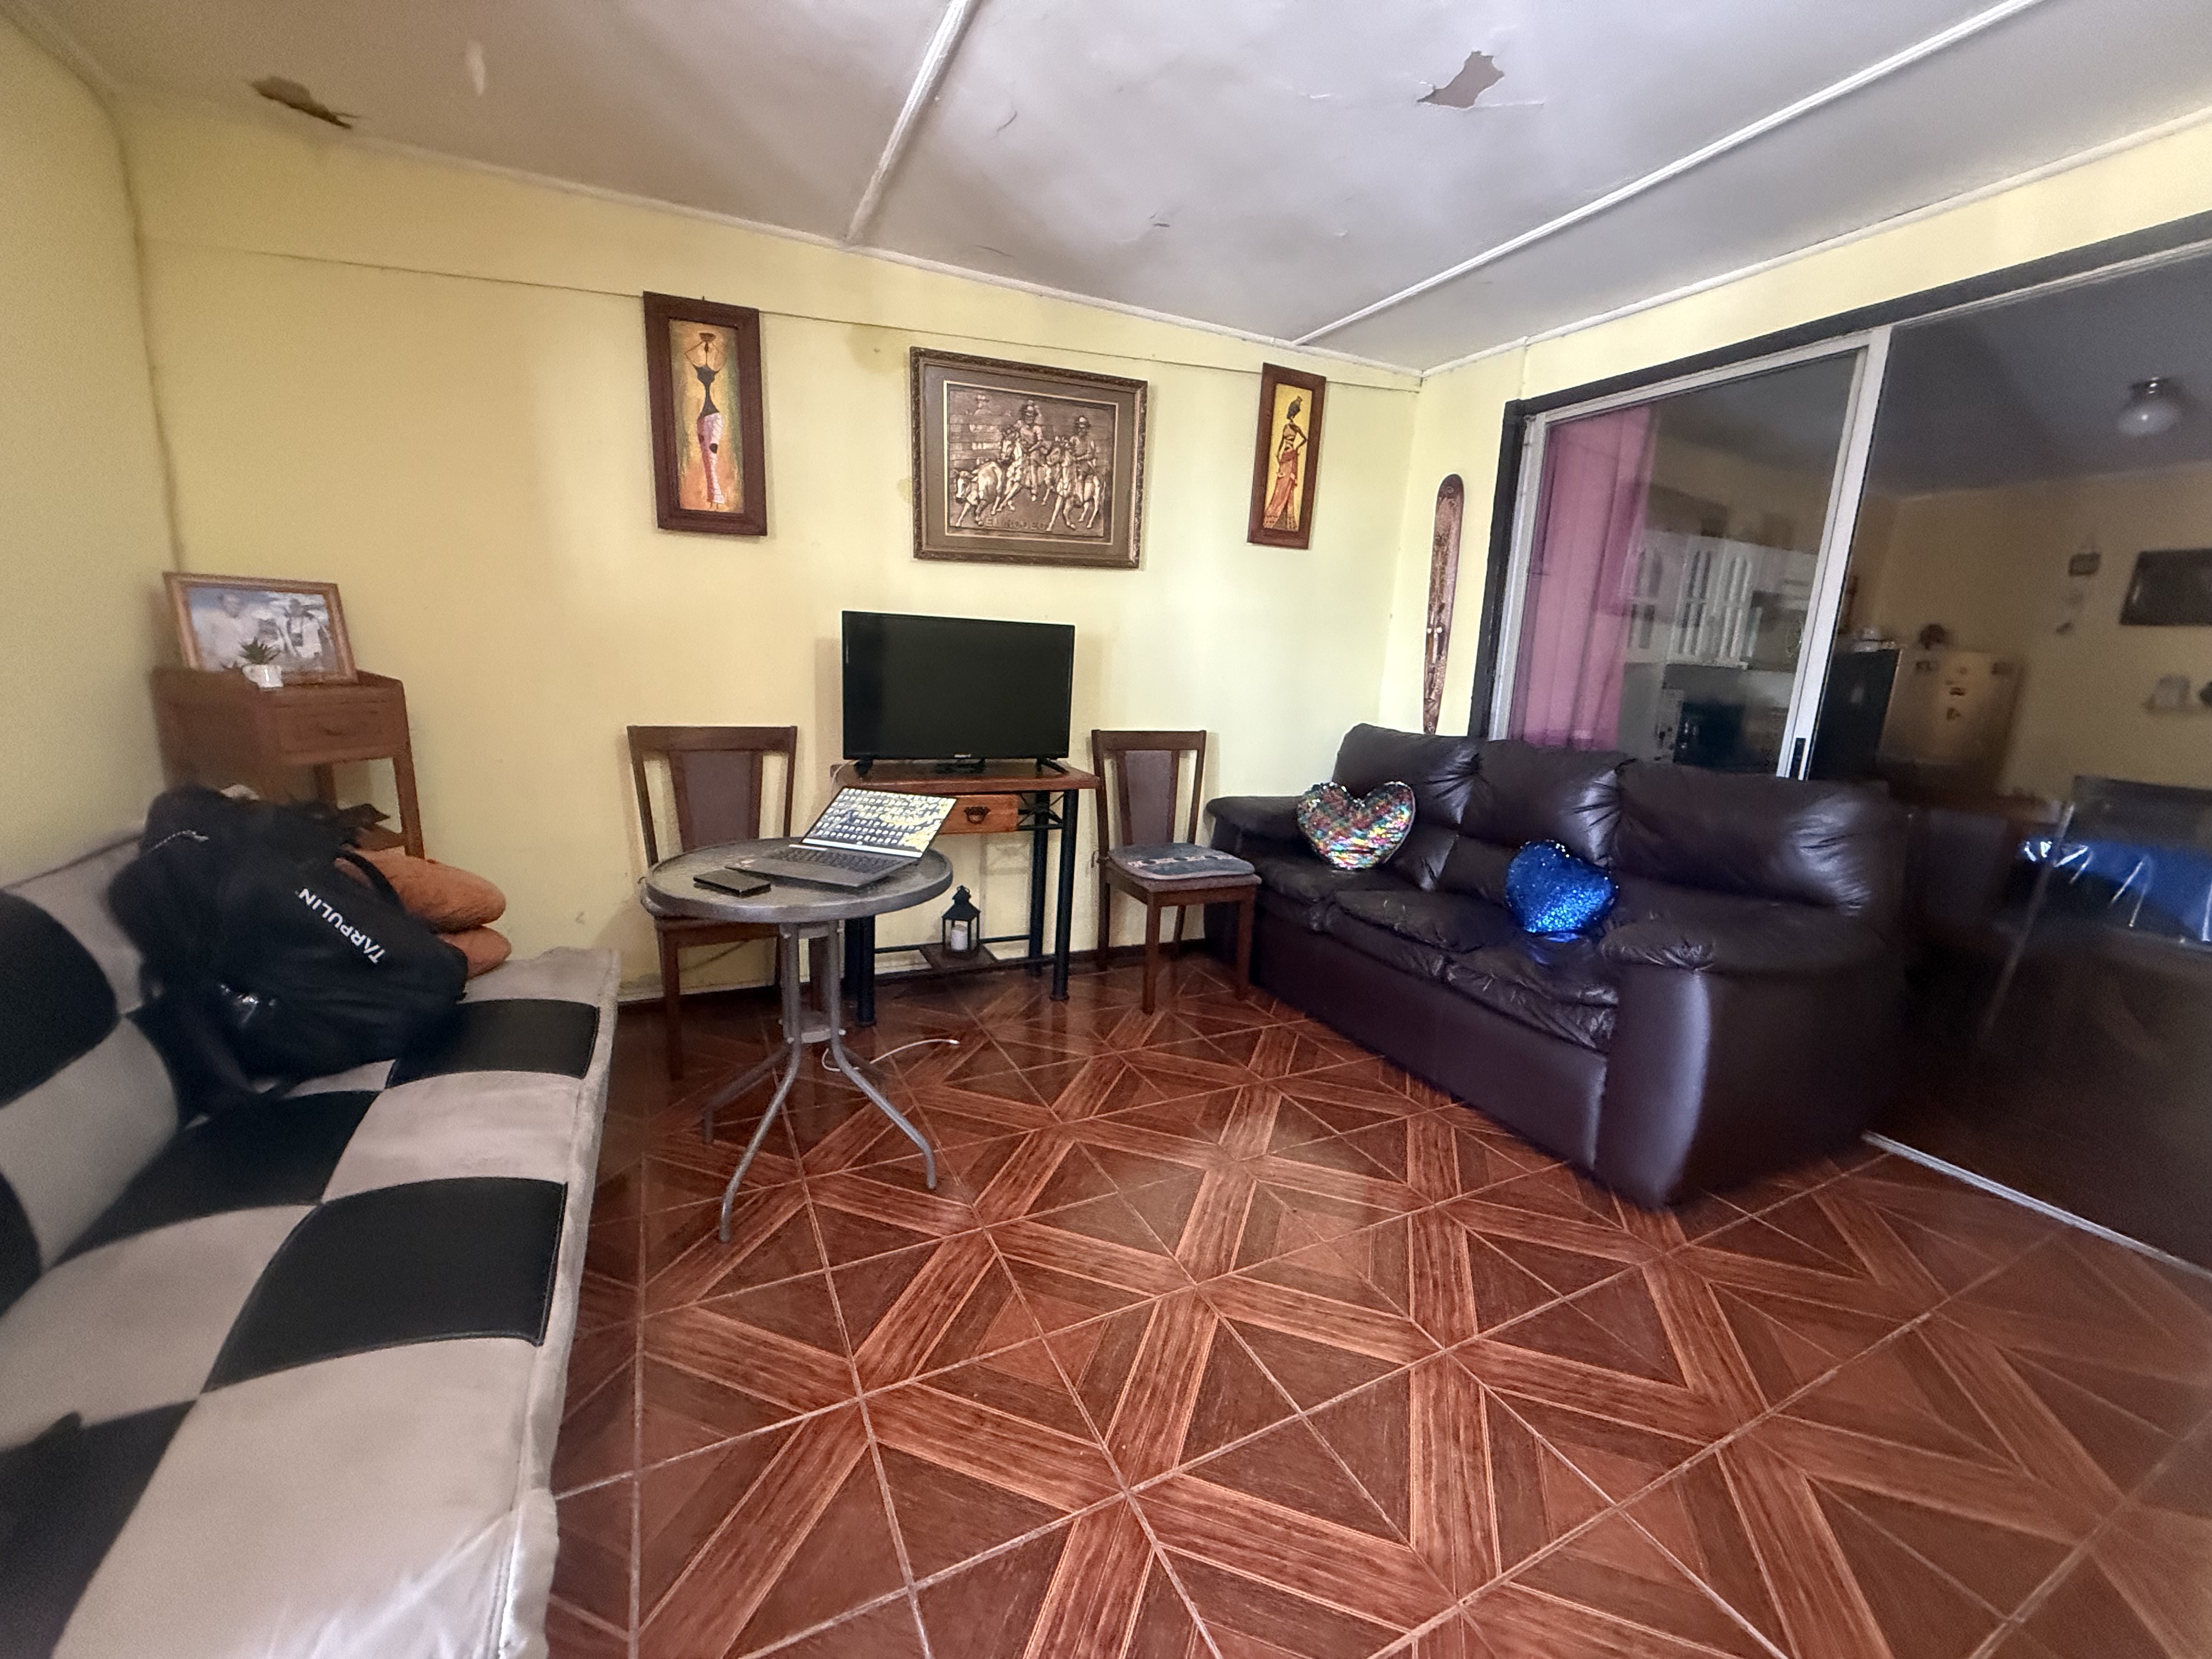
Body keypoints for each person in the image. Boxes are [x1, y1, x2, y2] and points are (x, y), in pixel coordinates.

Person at [684, 330, 727, 509]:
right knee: (706, 459)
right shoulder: (700, 368)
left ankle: (717, 499)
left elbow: (723, 358)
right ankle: (713, 499)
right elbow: (688, 354)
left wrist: (711, 345)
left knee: (712, 457)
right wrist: (702, 345)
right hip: (702, 417)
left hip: (714, 416)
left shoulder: (710, 369)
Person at [1265, 397, 1308, 531]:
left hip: (1290, 456)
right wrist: (1278, 454)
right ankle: (1276, 513)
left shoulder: (1295, 427)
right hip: (1284, 456)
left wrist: (1297, 448)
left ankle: (1285, 515)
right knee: (1281, 484)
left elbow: (1305, 439)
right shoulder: (1286, 427)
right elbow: (1281, 442)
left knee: (1287, 485)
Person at [193, 591, 258, 668]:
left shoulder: (251, 621)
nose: (235, 606)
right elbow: (206, 642)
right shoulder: (213, 619)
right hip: (222, 662)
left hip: (247, 663)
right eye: (230, 603)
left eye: (238, 603)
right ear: (223, 604)